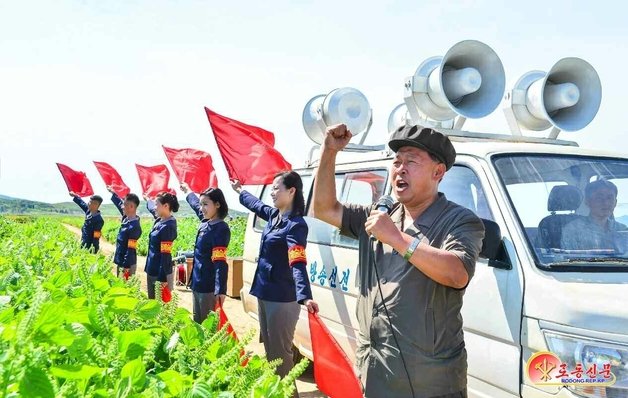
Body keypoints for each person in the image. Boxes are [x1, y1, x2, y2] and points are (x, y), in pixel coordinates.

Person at [311, 124, 485, 398]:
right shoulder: (379, 215)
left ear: (438, 172)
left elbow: (457, 272)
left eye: (411, 162)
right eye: (397, 162)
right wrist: (329, 151)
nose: (400, 169)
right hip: (376, 373)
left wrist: (397, 238)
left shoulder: (460, 221)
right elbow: (323, 208)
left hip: (430, 383)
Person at [231, 171, 319, 380]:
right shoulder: (274, 216)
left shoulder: (296, 225)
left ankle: (287, 393)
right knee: (271, 353)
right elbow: (255, 205)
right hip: (265, 291)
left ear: (291, 191)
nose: (271, 193)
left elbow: (297, 261)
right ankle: (275, 391)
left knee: (281, 356)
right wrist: (240, 190)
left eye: (276, 188)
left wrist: (304, 295)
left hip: (282, 297)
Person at [181, 183, 231, 323]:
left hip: (208, 286)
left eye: (205, 204)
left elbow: (220, 262)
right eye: (201, 204)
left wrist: (220, 290)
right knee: (197, 322)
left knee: (207, 327)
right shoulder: (206, 223)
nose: (202, 208)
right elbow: (196, 206)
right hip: (197, 282)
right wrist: (188, 192)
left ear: (217, 205)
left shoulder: (220, 229)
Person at [561, 179, 628, 253]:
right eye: (599, 198)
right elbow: (568, 260)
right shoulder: (573, 229)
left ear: (615, 202)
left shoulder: (623, 229)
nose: (605, 203)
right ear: (587, 201)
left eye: (609, 198)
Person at [143, 192, 178, 299]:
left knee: (159, 307)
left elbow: (165, 255)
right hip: (152, 269)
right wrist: (148, 199)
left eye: (157, 204)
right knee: (152, 303)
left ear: (166, 206)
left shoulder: (168, 226)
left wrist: (163, 278)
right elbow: (151, 208)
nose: (155, 207)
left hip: (159, 272)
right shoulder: (160, 220)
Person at [107, 187, 142, 279]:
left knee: (126, 289)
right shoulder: (126, 219)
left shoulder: (134, 226)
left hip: (127, 264)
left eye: (124, 205)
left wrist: (126, 267)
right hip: (121, 261)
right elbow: (119, 204)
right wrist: (114, 193)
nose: (122, 207)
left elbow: (130, 250)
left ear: (131, 207)